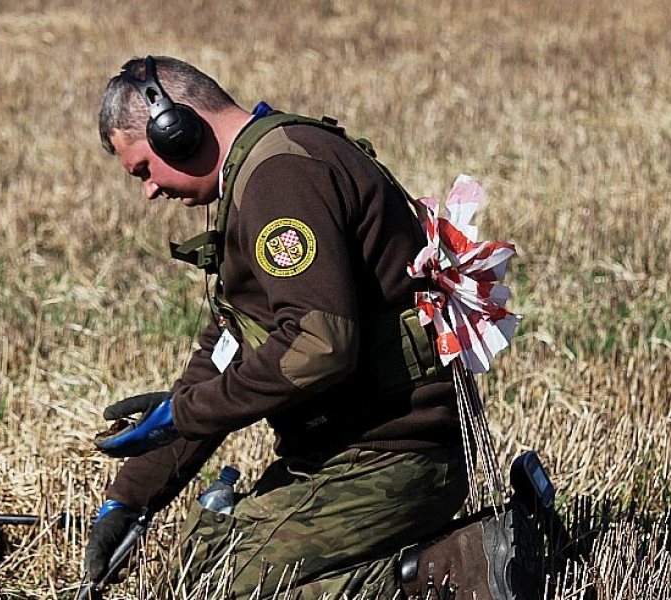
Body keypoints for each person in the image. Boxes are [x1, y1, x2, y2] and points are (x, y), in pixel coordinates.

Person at [84, 54, 544, 599]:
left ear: (174, 131)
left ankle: (461, 570)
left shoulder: (282, 177)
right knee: (201, 563)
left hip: (393, 458)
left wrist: (184, 412)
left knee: (223, 586)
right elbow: (227, 350)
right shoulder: (260, 173)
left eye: (143, 170)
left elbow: (319, 345)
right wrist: (131, 498)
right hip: (346, 456)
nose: (150, 191)